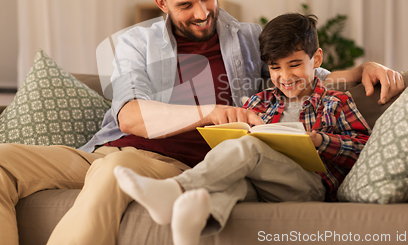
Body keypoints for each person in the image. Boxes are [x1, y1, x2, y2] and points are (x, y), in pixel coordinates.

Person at [0, 0, 402, 245]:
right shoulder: (134, 44)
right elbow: (130, 118)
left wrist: (362, 68)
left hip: (165, 162)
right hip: (102, 150)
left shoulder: (248, 39)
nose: (202, 12)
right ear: (161, 3)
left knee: (117, 168)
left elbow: (302, 73)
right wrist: (211, 111)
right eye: (185, 5)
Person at [114, 12, 372, 245]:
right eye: (275, 68)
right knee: (230, 183)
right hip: (263, 186)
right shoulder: (258, 102)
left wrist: (320, 141)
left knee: (250, 147)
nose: (285, 76)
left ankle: (175, 189)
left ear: (316, 58)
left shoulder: (334, 101)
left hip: (309, 186)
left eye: (294, 65)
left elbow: (365, 149)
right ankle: (189, 226)